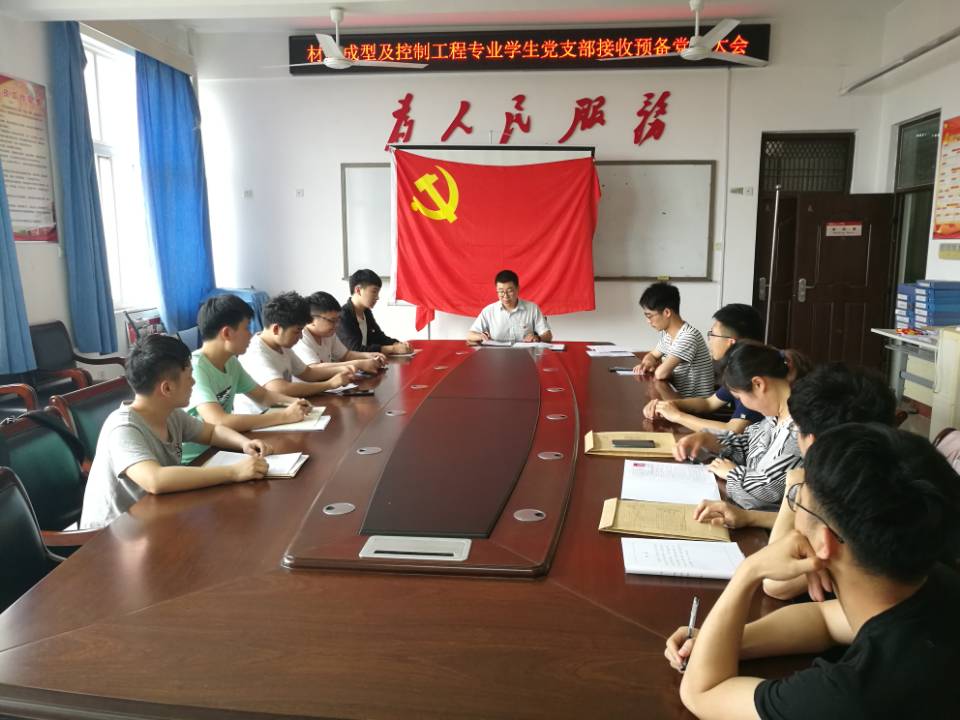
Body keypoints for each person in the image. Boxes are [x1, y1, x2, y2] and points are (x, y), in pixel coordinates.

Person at [664, 423, 960, 719]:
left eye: (797, 500)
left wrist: (749, 572)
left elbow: (702, 692)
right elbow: (823, 620)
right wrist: (720, 641)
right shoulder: (932, 580)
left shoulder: (850, 697)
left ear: (824, 541)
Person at [692, 363, 897, 600]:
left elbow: (774, 584)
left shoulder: (851, 499)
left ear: (811, 442)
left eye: (797, 430)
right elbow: (814, 524)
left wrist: (795, 485)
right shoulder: (876, 470)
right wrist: (750, 517)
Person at [80, 334, 271, 529]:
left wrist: (244, 443)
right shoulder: (123, 428)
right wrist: (233, 472)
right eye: (189, 377)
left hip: (154, 517)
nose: (193, 383)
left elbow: (212, 432)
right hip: (109, 535)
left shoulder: (171, 414)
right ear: (167, 388)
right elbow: (155, 480)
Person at [674, 343, 809, 511]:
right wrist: (709, 439)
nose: (743, 403)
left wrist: (731, 473)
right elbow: (748, 446)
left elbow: (766, 494)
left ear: (758, 384)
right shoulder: (773, 417)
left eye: (739, 397)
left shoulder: (799, 429)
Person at [181, 294, 315, 464]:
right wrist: (283, 416)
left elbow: (263, 396)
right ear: (227, 333)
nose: (251, 335)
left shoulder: (230, 361)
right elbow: (218, 421)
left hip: (222, 448)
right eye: (246, 328)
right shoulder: (195, 368)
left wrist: (295, 402)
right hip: (196, 460)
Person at [644, 303, 764, 433]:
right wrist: (671, 404)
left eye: (713, 334)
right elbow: (709, 403)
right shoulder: (737, 367)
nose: (710, 340)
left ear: (731, 342)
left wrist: (677, 416)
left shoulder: (753, 375)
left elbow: (733, 430)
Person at [240, 291, 354, 403]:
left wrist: (342, 370)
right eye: (297, 331)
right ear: (276, 329)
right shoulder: (256, 353)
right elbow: (280, 389)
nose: (300, 336)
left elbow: (307, 373)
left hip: (282, 410)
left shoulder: (282, 346)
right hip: (262, 414)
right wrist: (329, 384)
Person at [632, 282, 714, 398]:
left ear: (667, 312)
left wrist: (655, 367)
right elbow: (652, 355)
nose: (648, 321)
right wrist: (648, 363)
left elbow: (661, 374)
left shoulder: (688, 337)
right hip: (675, 397)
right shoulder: (668, 335)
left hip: (692, 404)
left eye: (649, 316)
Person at [294, 291, 387, 375]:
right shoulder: (299, 336)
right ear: (311, 319)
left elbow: (346, 355)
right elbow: (314, 368)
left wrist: (369, 356)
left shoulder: (328, 334)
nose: (337, 325)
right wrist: (358, 364)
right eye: (332, 320)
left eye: (338, 320)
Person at [337, 269, 412, 355]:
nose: (377, 297)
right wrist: (393, 349)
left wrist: (399, 344)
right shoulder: (343, 316)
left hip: (366, 361)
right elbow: (355, 349)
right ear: (358, 290)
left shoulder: (366, 312)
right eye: (374, 291)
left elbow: (379, 337)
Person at [467, 269, 553, 344]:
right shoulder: (489, 311)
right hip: (497, 356)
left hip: (525, 355)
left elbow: (548, 335)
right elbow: (470, 335)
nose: (505, 296)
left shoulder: (532, 308)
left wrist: (538, 338)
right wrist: (481, 336)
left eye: (509, 291)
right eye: (501, 291)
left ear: (518, 289)